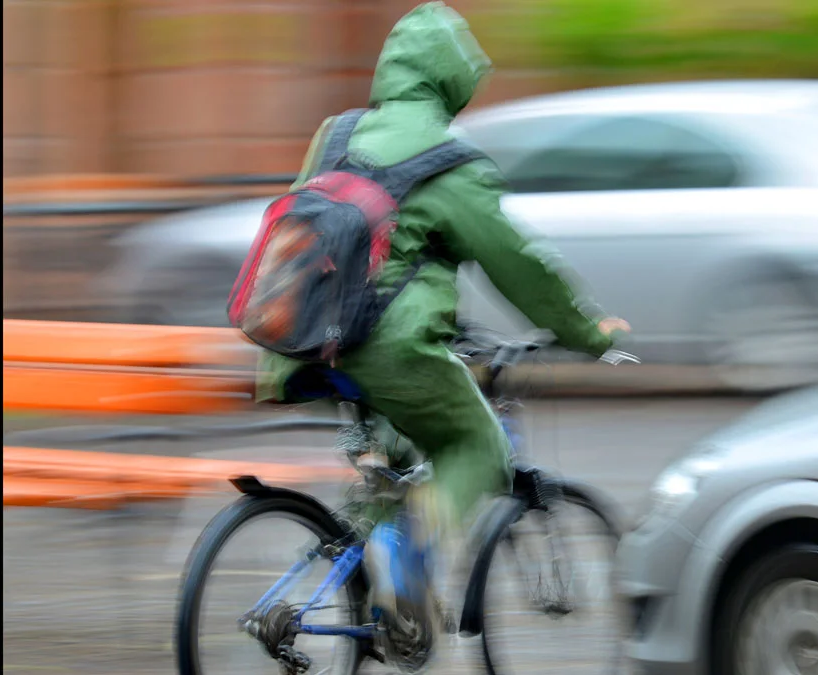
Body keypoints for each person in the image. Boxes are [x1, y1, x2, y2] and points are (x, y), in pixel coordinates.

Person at [253, 0, 629, 654]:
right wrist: (589, 330)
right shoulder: (451, 162)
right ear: (453, 78)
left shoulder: (335, 134)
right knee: (477, 447)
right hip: (389, 347)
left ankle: (374, 591)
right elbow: (520, 266)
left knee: (394, 446)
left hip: (302, 343)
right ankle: (415, 547)